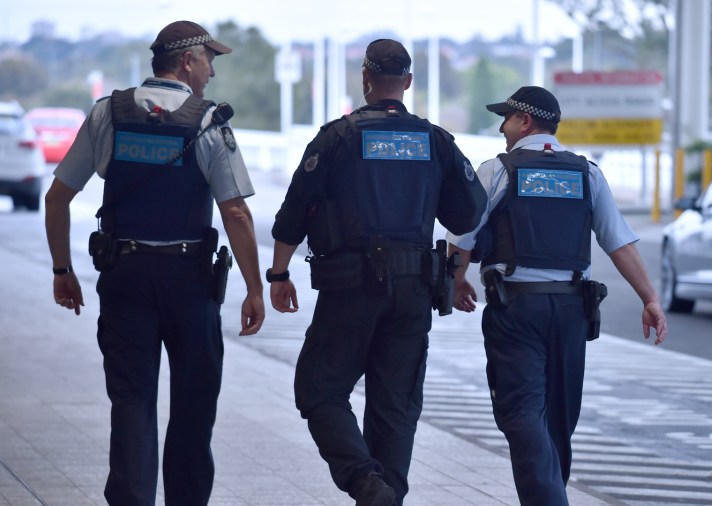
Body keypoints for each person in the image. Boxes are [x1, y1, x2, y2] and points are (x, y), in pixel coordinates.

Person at [44, 20, 265, 506]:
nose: (211, 71)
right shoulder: (205, 120)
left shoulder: (109, 114)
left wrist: (62, 272)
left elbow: (57, 198)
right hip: (189, 282)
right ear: (187, 61)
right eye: (209, 59)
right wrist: (255, 286)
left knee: (131, 404)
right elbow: (235, 211)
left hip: (124, 278)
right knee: (193, 407)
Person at [268, 39, 486, 506]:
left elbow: (294, 212)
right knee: (395, 408)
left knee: (319, 389)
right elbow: (468, 215)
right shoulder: (436, 141)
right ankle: (386, 496)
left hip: (349, 288)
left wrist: (278, 273)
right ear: (407, 82)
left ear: (365, 79)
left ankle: (367, 484)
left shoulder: (337, 138)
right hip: (414, 290)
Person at [447, 86, 668, 506]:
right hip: (571, 311)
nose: (501, 127)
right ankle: (551, 496)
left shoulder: (498, 170)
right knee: (558, 419)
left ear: (526, 121)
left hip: (516, 309)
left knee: (523, 413)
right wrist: (650, 298)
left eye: (507, 118)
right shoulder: (587, 173)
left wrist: (457, 281)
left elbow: (462, 237)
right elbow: (618, 242)